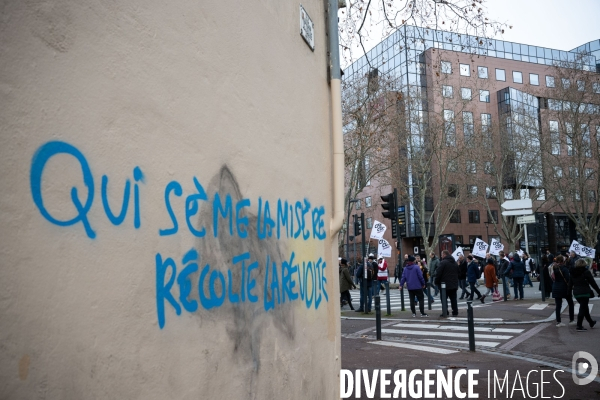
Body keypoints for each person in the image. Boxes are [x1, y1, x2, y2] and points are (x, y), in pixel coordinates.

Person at [569, 259, 600, 332]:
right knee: (583, 309)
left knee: (585, 308)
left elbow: (570, 284)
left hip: (576, 293)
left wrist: (569, 293)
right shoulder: (586, 272)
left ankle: (591, 322)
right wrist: (598, 291)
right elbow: (593, 283)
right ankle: (579, 325)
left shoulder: (573, 273)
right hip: (585, 292)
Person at [434, 250, 460, 317]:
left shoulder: (443, 263)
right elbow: (458, 272)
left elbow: (438, 273)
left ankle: (445, 312)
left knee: (444, 299)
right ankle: (455, 311)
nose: (441, 256)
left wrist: (436, 282)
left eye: (442, 254)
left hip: (444, 285)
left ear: (444, 254)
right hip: (453, 284)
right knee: (453, 299)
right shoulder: (454, 263)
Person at [552, 255, 574, 327]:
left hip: (556, 287)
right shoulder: (564, 269)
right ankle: (571, 320)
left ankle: (558, 321)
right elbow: (568, 279)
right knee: (570, 304)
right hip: (565, 288)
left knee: (558, 305)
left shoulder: (553, 268)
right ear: (563, 261)